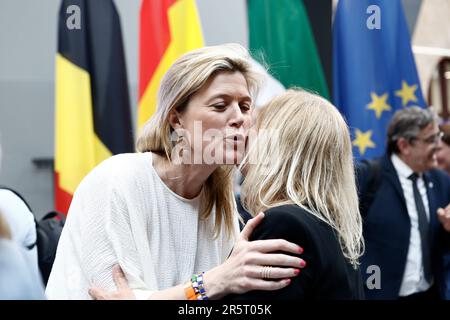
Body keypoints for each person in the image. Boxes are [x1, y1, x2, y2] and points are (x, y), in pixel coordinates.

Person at [46, 44, 305, 300]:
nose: (239, 118)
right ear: (176, 120)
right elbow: (112, 294)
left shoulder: (219, 196)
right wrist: (210, 284)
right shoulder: (117, 179)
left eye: (245, 106)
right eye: (220, 106)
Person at [90, 89, 365, 300]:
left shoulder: (284, 225)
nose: (241, 132)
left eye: (252, 125)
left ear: (280, 147)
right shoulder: (329, 227)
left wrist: (199, 287)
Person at [357, 107, 450, 300]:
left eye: (438, 137)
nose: (438, 145)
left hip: (430, 293)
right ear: (404, 145)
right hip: (381, 294)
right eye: (430, 140)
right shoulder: (368, 177)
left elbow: (442, 246)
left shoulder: (441, 181)